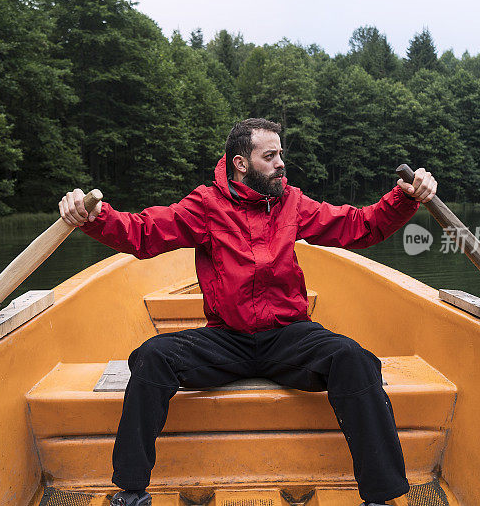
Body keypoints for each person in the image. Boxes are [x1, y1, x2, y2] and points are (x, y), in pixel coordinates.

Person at [59, 118, 437, 506]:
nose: (280, 164)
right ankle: (132, 490)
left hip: (289, 336)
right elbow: (142, 233)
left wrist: (404, 198)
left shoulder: (293, 202)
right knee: (152, 357)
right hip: (228, 339)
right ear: (241, 162)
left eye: (281, 155)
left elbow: (361, 227)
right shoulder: (206, 205)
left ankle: (380, 496)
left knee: (355, 360)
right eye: (269, 156)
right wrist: (94, 215)